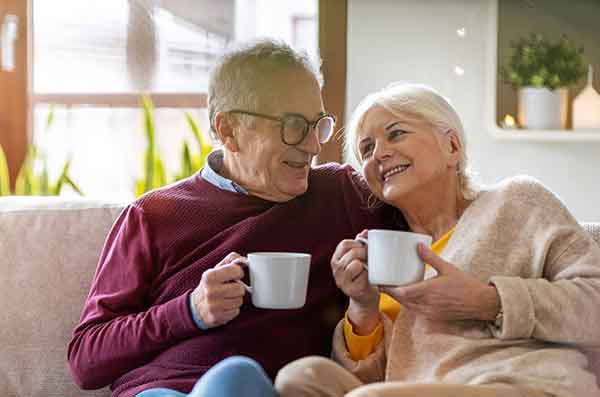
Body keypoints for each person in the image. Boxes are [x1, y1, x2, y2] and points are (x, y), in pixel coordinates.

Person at [67, 40, 403, 397]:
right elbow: (86, 359)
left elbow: (439, 215)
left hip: (264, 390)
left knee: (237, 379)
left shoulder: (342, 195)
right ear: (228, 130)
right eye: (292, 125)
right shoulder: (152, 215)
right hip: (160, 391)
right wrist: (189, 310)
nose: (313, 146)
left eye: (317, 124)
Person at [275, 83, 600, 397]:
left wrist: (488, 301)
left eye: (396, 133)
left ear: (452, 146)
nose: (379, 154)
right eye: (367, 149)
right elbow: (378, 379)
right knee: (301, 378)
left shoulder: (516, 201)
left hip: (520, 383)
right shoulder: (388, 255)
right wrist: (363, 304)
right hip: (411, 389)